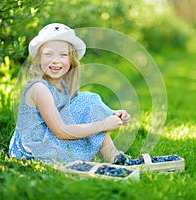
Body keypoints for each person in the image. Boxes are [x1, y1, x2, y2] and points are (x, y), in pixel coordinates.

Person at [8, 23, 131, 164]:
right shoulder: (39, 88)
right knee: (89, 102)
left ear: (71, 61)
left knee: (88, 99)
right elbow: (61, 131)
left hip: (50, 138)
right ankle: (112, 155)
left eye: (63, 54)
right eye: (48, 54)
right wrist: (103, 124)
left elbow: (77, 111)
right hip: (33, 149)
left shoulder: (63, 86)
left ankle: (113, 155)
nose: (55, 60)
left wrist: (113, 116)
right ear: (39, 59)